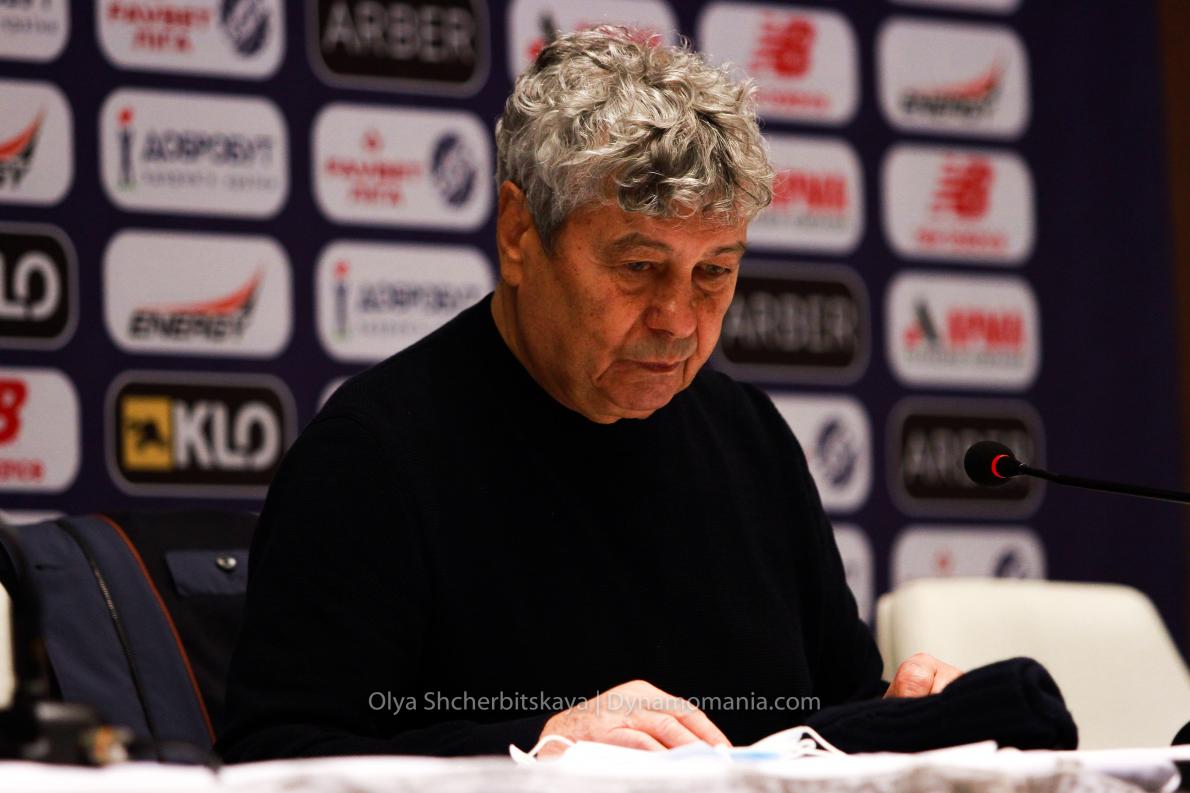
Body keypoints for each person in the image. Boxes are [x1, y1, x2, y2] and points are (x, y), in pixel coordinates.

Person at [216, 27, 960, 762]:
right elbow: (277, 755)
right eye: (639, 267)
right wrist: (540, 746)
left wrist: (904, 720)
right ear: (519, 234)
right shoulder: (371, 457)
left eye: (714, 272)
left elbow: (833, 714)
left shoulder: (750, 438)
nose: (678, 320)